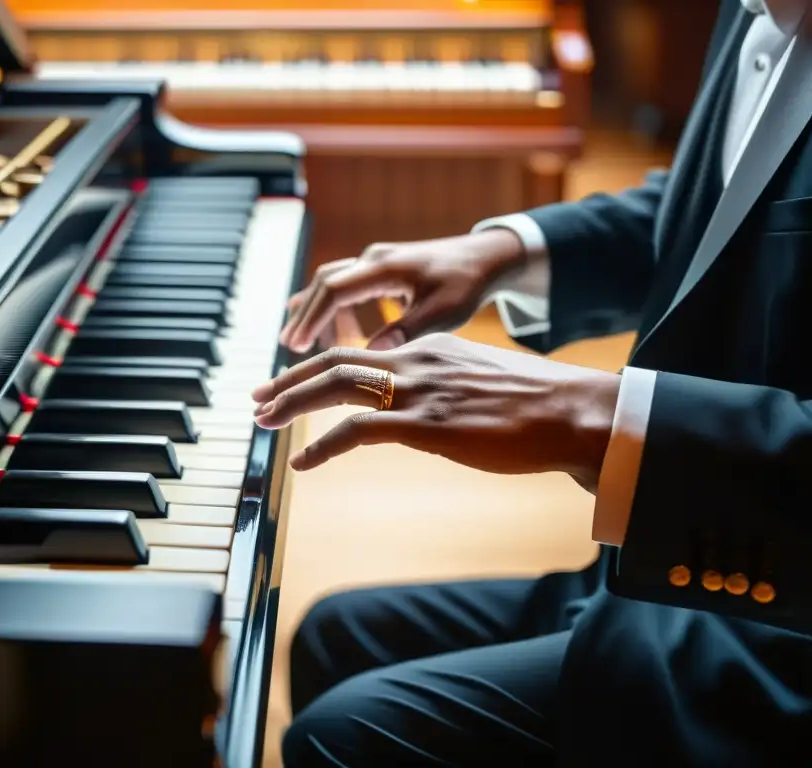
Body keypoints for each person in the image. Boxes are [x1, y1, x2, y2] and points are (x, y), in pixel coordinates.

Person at [252, 0, 812, 765]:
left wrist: (585, 413)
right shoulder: (757, 10)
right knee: (334, 634)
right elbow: (723, 211)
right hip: (656, 581)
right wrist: (507, 250)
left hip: (776, 631)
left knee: (345, 734)